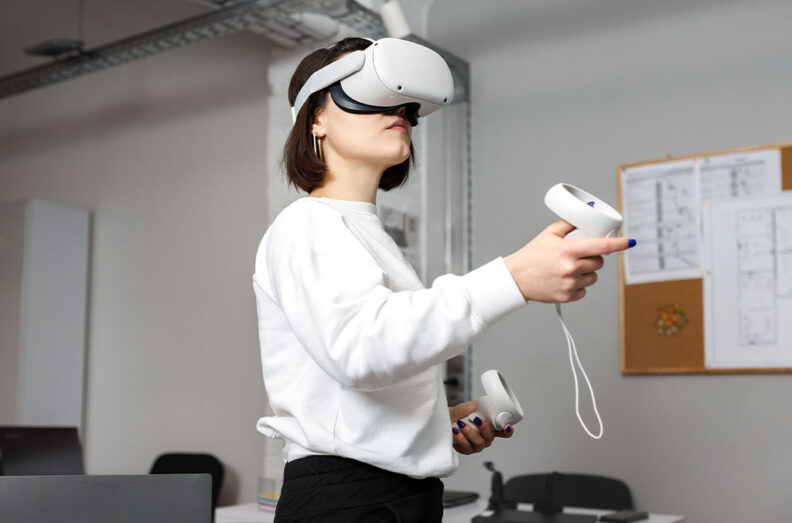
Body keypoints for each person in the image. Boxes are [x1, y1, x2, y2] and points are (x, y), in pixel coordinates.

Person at [252, 37, 634, 523]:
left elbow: (363, 377)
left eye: (406, 104)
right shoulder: (308, 222)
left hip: (396, 495)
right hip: (347, 500)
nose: (400, 110)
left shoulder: (365, 235)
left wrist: (432, 425)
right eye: (370, 92)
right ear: (315, 120)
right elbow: (359, 349)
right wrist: (514, 276)